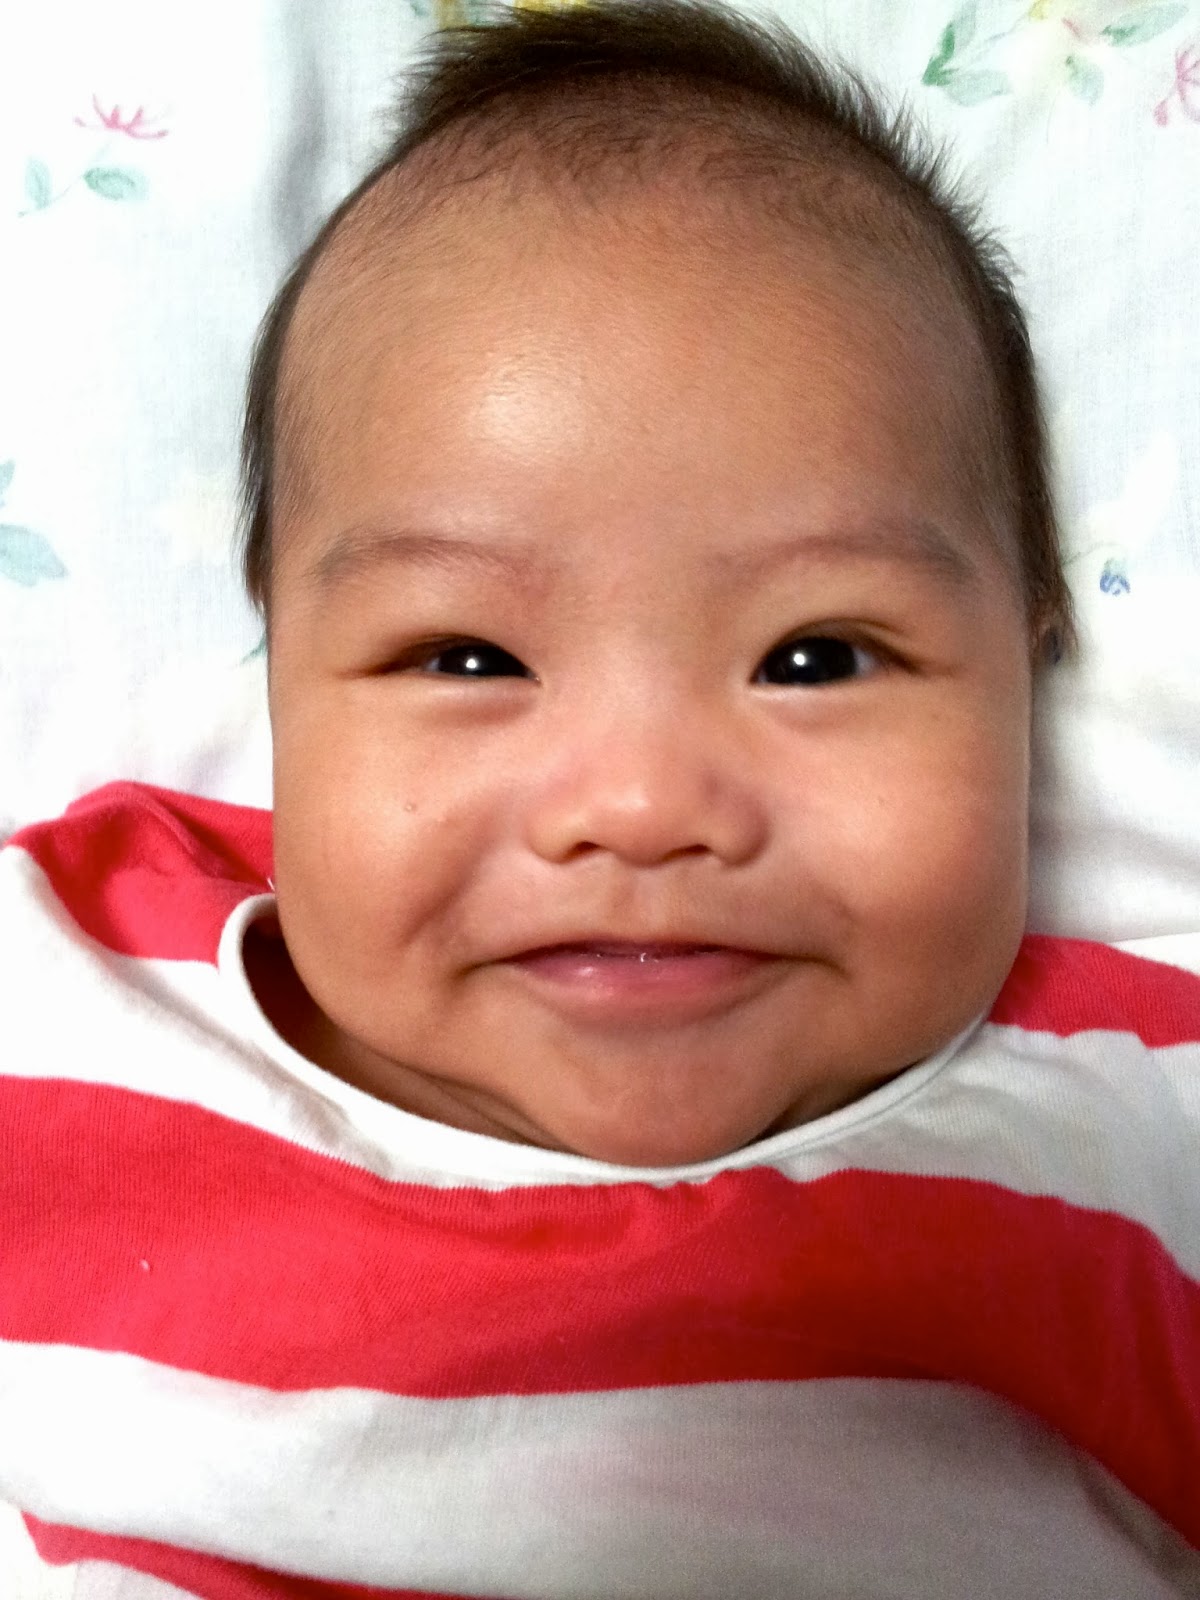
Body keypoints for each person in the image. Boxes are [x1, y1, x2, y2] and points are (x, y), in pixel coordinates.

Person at [2, 2, 1198, 1596]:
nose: (637, 808)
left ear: (1027, 654)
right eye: (468, 657)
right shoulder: (76, 987)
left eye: (815, 659)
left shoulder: (1135, 1143)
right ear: (278, 665)